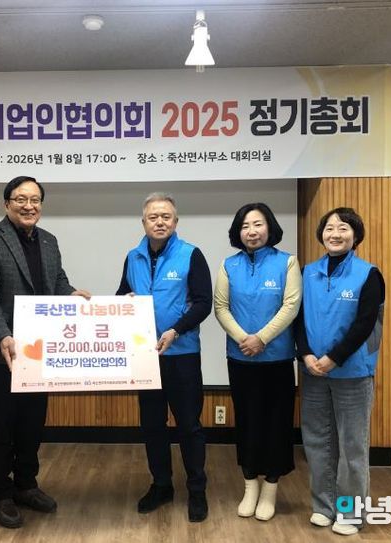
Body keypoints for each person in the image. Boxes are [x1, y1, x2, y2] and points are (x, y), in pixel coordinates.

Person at [0, 175, 90, 529]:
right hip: (1, 352)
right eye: (20, 199)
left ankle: (26, 484)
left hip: (39, 350)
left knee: (32, 423)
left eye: (35, 199)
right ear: (6, 203)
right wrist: (2, 335)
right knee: (1, 426)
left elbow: (57, 282)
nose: (28, 205)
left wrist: (70, 295)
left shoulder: (49, 241)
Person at [116, 192, 212, 522]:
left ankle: (197, 490)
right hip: (145, 356)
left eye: (166, 216)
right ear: (143, 222)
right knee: (152, 424)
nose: (160, 222)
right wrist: (124, 300)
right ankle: (161, 485)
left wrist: (176, 330)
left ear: (176, 221)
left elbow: (203, 302)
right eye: (153, 217)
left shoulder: (191, 254)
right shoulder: (133, 257)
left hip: (182, 354)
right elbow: (121, 294)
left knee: (189, 425)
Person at [295, 207, 385, 536]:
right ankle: (323, 507)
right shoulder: (308, 272)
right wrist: (306, 354)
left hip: (353, 373)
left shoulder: (369, 274)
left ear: (355, 235)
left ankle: (349, 513)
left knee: (352, 446)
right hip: (312, 372)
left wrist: (333, 358)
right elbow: (296, 318)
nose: (335, 234)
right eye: (329, 228)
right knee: (317, 441)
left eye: (343, 228)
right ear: (321, 235)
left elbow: (364, 324)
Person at [214, 203, 301, 522]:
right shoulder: (228, 265)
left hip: (277, 359)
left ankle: (270, 488)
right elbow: (220, 307)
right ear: (238, 232)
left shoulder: (287, 262)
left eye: (258, 224)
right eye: (245, 226)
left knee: (277, 424)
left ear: (270, 227)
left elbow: (291, 305)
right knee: (247, 421)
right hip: (240, 359)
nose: (251, 231)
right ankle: (250, 484)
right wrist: (244, 339)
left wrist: (261, 338)